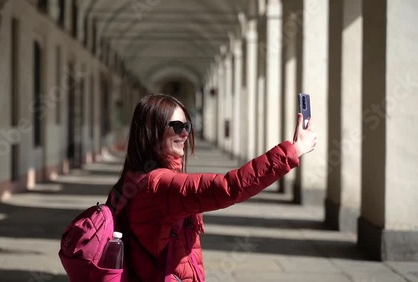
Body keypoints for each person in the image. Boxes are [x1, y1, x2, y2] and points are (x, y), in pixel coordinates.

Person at [106, 93, 317, 282]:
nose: (185, 134)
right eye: (178, 126)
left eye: (187, 126)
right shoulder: (160, 185)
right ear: (152, 131)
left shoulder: (135, 178)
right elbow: (229, 187)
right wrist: (293, 151)